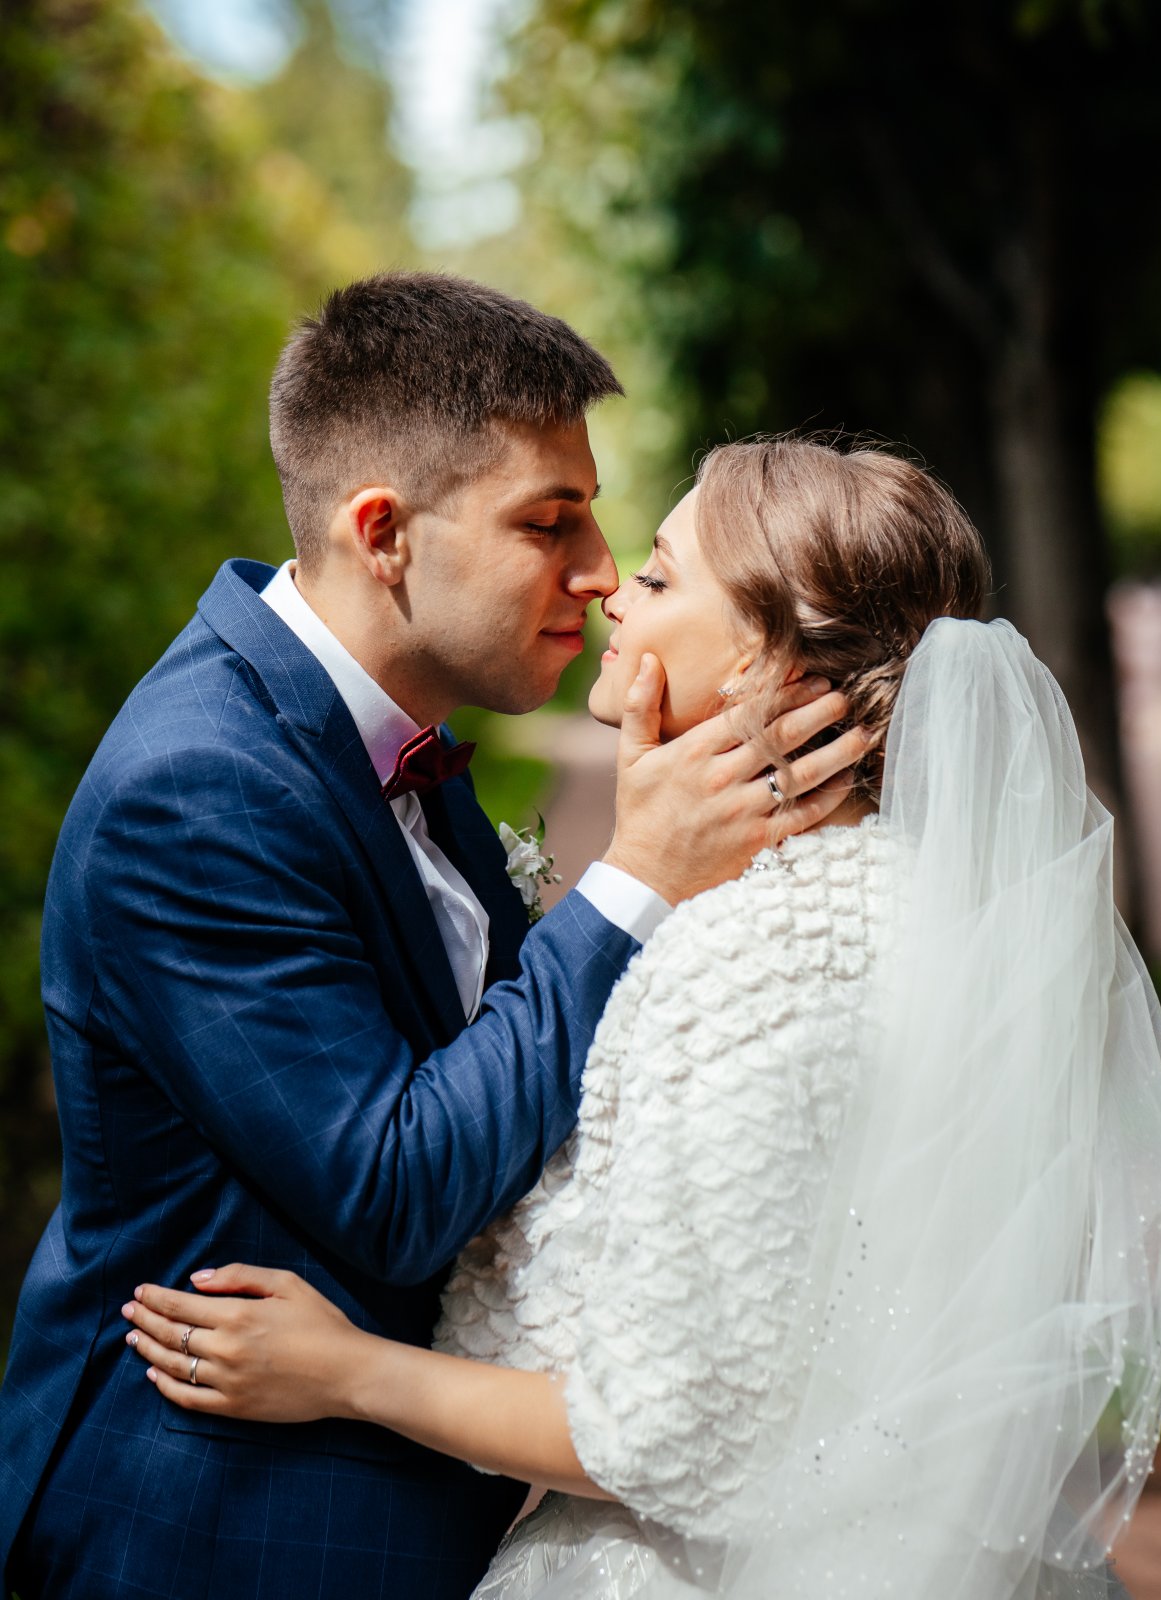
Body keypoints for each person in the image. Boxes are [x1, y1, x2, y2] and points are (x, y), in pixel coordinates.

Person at [121, 437, 1161, 1600]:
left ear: (769, 667)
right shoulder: (900, 907)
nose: (611, 592)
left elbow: (676, 1437)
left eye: (659, 575)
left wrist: (347, 1371)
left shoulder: (760, 960)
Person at [0, 282, 860, 1600]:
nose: (598, 572)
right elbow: (393, 1190)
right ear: (384, 533)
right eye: (548, 522)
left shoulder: (400, 740)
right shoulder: (198, 787)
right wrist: (635, 879)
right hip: (219, 1527)